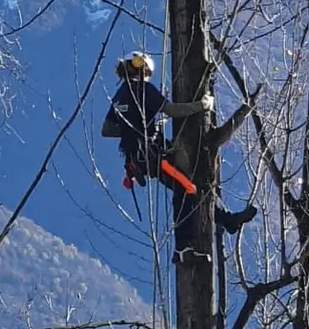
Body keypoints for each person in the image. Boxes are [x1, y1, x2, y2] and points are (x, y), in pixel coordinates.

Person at [102, 51, 257, 236]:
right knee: (189, 188)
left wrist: (135, 128)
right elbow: (172, 110)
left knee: (186, 187)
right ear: (145, 70)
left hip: (139, 158)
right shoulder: (143, 89)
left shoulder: (120, 95)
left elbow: (107, 130)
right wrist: (201, 105)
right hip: (153, 155)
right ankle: (220, 224)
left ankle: (225, 219)